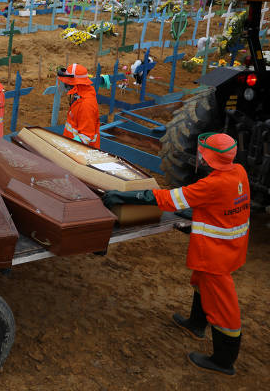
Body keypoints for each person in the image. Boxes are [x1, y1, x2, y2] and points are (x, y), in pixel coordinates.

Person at [102, 133, 249, 376]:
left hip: (216, 255)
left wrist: (127, 196)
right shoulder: (238, 173)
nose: (199, 154)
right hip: (229, 247)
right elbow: (220, 206)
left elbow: (170, 200)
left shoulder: (213, 184)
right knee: (201, 283)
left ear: (210, 157)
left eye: (203, 151)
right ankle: (196, 324)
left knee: (224, 308)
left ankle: (224, 360)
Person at [57, 63, 100, 149]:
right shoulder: (78, 96)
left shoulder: (86, 105)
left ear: (75, 84)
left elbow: (86, 137)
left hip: (82, 152)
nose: (66, 86)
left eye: (67, 83)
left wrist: (67, 147)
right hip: (72, 144)